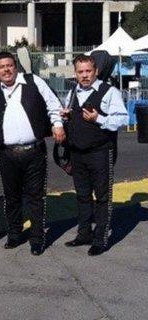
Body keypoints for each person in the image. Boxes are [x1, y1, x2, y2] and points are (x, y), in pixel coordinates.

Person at [0, 51, 65, 256]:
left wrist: (57, 125)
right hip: (6, 154)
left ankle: (37, 239)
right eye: (1, 67)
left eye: (9, 65)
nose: (6, 69)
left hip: (34, 152)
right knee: (12, 197)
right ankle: (14, 235)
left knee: (35, 197)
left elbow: (53, 105)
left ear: (16, 66)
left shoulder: (33, 82)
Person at [62, 54, 128, 256]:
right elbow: (70, 117)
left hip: (100, 151)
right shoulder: (72, 93)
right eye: (80, 72)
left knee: (102, 197)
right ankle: (84, 234)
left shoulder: (109, 92)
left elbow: (123, 119)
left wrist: (99, 118)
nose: (84, 75)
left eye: (88, 71)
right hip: (77, 153)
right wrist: (65, 117)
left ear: (96, 71)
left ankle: (100, 238)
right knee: (82, 196)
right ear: (75, 73)